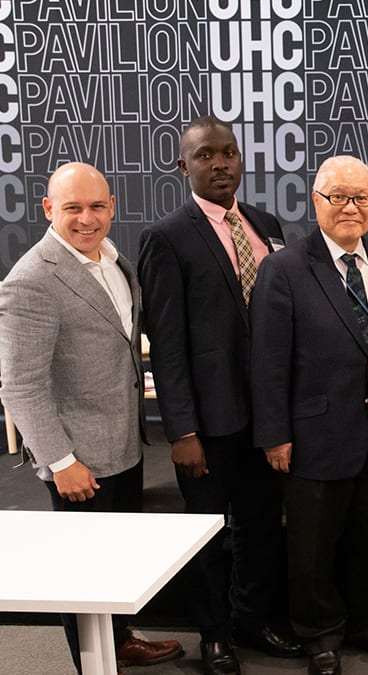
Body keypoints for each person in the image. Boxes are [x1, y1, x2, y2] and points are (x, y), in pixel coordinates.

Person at [0, 163, 182, 674]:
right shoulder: (32, 280)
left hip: (122, 445)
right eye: (73, 208)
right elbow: (19, 384)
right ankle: (90, 663)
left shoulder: (116, 261)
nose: (87, 218)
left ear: (112, 206)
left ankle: (119, 641)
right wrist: (60, 461)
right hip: (77, 460)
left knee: (115, 561)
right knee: (81, 572)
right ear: (48, 210)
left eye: (97, 206)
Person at [138, 116, 300, 675]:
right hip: (207, 424)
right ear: (184, 167)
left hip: (268, 419)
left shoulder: (266, 224)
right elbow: (168, 343)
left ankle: (252, 619)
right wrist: (180, 430)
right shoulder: (166, 237)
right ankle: (214, 635)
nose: (221, 163)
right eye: (205, 155)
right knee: (208, 535)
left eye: (228, 152)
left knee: (260, 527)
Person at [249, 156, 368, 675]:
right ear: (315, 202)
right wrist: (275, 435)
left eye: (361, 198)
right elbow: (267, 362)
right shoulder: (284, 268)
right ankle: (320, 635)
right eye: (338, 196)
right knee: (312, 548)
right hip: (313, 433)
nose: (350, 208)